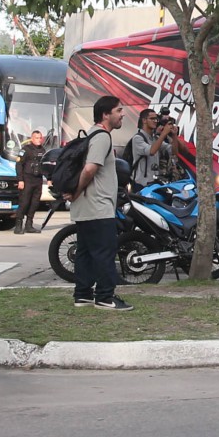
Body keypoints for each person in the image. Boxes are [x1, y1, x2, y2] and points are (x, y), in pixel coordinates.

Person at [70, 96, 133, 312]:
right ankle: (105, 296)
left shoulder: (89, 134)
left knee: (85, 252)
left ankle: (83, 294)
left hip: (86, 207)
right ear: (106, 114)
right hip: (98, 206)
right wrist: (76, 191)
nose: (122, 114)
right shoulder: (102, 137)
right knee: (105, 252)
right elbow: (90, 169)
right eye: (118, 110)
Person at [15, 129, 46, 233]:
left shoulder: (43, 150)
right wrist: (20, 180)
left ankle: (29, 225)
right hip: (27, 179)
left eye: (40, 138)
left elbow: (45, 165)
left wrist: (49, 179)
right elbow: (19, 165)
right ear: (32, 139)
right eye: (37, 138)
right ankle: (18, 226)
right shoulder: (25, 150)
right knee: (24, 202)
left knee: (35, 203)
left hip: (38, 180)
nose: (39, 140)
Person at [127, 108, 162, 189]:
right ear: (144, 120)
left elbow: (172, 150)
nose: (155, 121)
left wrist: (173, 135)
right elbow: (151, 151)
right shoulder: (138, 138)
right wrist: (163, 134)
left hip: (154, 182)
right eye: (152, 119)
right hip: (141, 184)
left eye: (156, 119)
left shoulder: (155, 138)